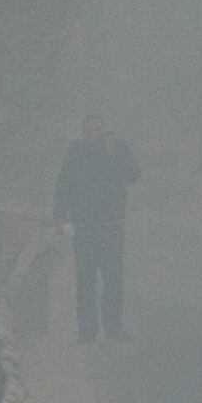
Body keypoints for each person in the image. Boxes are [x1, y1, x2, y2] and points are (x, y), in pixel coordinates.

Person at [53, 116, 139, 342]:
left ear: (105, 129)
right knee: (85, 281)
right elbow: (64, 183)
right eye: (90, 131)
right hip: (83, 227)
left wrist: (115, 152)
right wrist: (60, 216)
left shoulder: (118, 148)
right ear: (84, 133)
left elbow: (133, 176)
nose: (95, 135)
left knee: (113, 279)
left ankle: (113, 327)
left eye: (99, 129)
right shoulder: (76, 152)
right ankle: (87, 331)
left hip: (111, 227)